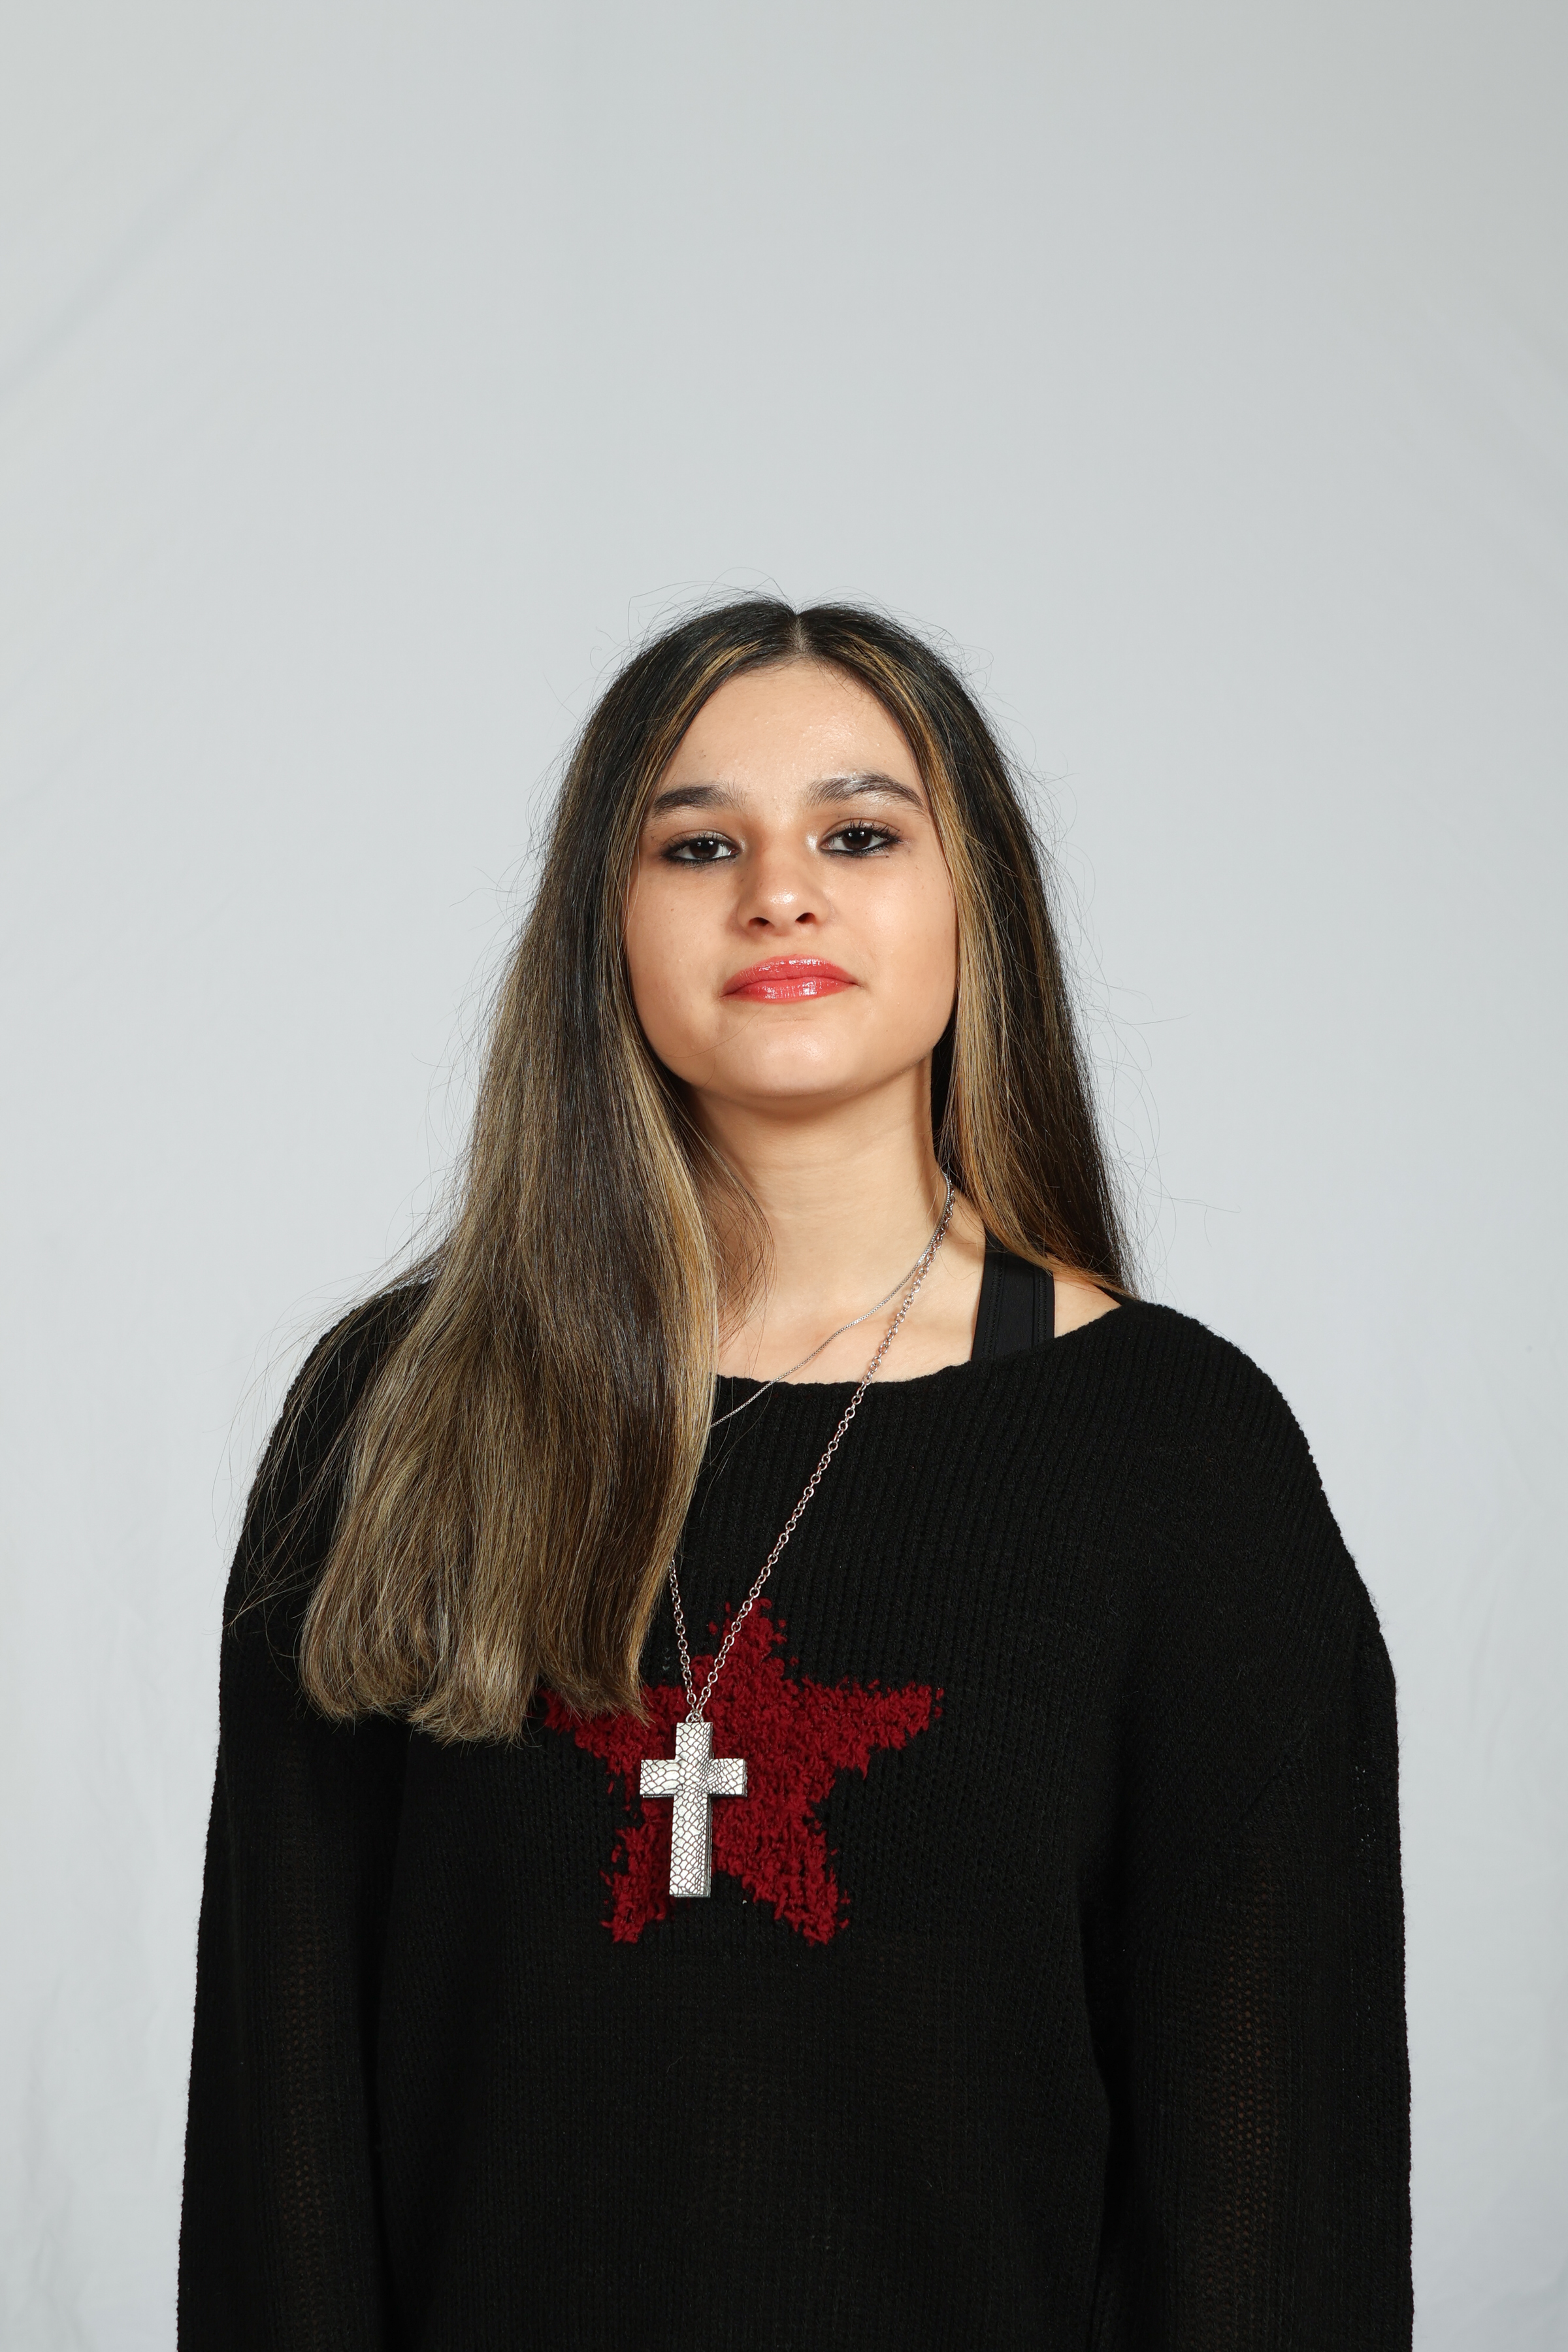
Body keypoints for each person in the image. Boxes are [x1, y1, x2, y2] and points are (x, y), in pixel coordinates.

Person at [178, 599, 1413, 2349]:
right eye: (697, 845)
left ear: (975, 901)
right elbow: (281, 2139)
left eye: (858, 833)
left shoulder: (1181, 1458)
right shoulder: (395, 1414)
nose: (779, 893)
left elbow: (1272, 2208)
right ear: (604, 923)